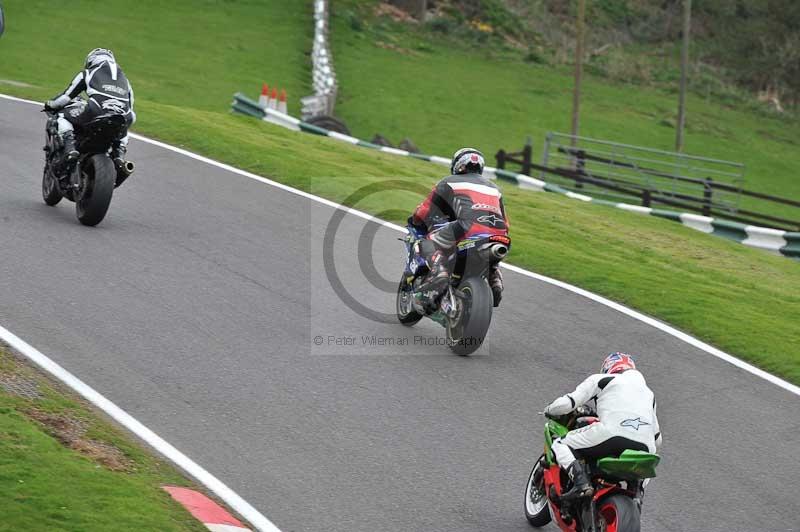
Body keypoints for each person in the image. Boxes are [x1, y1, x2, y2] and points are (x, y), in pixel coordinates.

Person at [544, 352, 662, 500]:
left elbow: (568, 404)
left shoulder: (603, 379)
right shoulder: (649, 394)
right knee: (644, 469)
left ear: (608, 367)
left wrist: (549, 409)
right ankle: (637, 497)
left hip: (611, 434)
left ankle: (581, 483)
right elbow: (657, 439)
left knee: (560, 443)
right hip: (646, 447)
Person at [409, 148, 509, 308]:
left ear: (459, 165)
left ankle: (439, 272)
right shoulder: (495, 189)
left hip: (467, 227)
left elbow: (424, 211)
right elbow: (506, 222)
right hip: (500, 235)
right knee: (491, 258)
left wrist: (415, 220)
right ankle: (494, 277)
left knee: (426, 243)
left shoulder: (449, 181)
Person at [44, 48, 135, 187]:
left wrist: (51, 104)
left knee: (63, 116)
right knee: (125, 125)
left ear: (91, 61)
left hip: (96, 110)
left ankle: (70, 148)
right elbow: (131, 106)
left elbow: (66, 97)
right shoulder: (126, 81)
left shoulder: (87, 73)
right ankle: (119, 155)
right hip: (124, 115)